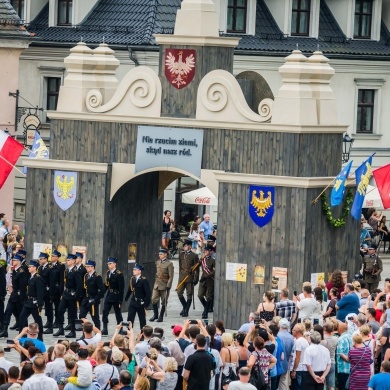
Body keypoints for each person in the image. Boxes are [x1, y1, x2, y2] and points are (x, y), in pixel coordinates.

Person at [53, 254, 83, 338]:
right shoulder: (67, 270)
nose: (67, 261)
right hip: (66, 294)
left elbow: (80, 286)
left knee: (72, 314)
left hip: (72, 295)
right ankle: (61, 328)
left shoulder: (76, 272)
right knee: (59, 310)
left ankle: (73, 331)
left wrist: (76, 296)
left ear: (74, 261)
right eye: (67, 260)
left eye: (69, 260)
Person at [0, 254, 28, 337]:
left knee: (22, 315)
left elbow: (23, 287)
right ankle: (4, 330)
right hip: (13, 295)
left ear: (19, 261)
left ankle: (24, 332)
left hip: (19, 296)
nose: (13, 261)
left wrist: (23, 299)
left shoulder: (21, 272)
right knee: (7, 312)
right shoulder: (15, 270)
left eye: (15, 260)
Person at [19, 260, 44, 340]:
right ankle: (23, 335)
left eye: (30, 267)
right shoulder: (31, 277)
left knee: (37, 320)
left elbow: (40, 292)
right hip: (28, 302)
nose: (28, 268)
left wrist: (40, 304)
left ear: (34, 268)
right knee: (22, 317)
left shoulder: (38, 278)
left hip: (35, 303)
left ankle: (40, 337)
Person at [79, 260, 105, 329]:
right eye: (86, 266)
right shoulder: (86, 276)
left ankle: (98, 332)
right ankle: (85, 333)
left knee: (95, 317)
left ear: (92, 267)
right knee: (81, 315)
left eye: (88, 267)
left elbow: (102, 290)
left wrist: (96, 299)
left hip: (93, 299)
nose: (86, 268)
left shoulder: (97, 277)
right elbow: (85, 288)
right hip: (86, 298)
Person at [150, 248, 174, 323]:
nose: (159, 255)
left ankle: (161, 316)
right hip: (157, 284)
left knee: (164, 301)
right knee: (153, 299)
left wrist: (168, 285)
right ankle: (155, 314)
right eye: (159, 254)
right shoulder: (158, 262)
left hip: (164, 285)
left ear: (165, 254)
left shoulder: (169, 264)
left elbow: (171, 276)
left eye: (161, 254)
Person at [176, 240, 199, 318]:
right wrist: (180, 275)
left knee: (189, 294)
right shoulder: (181, 255)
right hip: (182, 277)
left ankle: (186, 311)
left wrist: (196, 279)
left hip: (190, 277)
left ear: (190, 246)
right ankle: (185, 306)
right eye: (184, 246)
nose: (184, 247)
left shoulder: (194, 256)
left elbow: (197, 269)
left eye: (186, 246)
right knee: (179, 292)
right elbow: (180, 266)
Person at [102, 257, 125, 335]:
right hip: (109, 295)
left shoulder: (119, 274)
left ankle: (120, 328)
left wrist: (120, 300)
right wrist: (102, 293)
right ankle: (105, 328)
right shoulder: (108, 273)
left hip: (116, 296)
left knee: (118, 313)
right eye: (108, 264)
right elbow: (106, 284)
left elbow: (121, 288)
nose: (109, 265)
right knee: (105, 311)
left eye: (110, 263)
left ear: (115, 264)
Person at [124, 263, 151, 330]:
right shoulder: (132, 279)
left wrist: (146, 304)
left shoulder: (144, 280)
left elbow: (148, 293)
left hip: (140, 302)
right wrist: (126, 297)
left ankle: (143, 334)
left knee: (142, 320)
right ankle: (129, 333)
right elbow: (130, 289)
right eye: (133, 270)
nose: (133, 271)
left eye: (135, 270)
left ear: (139, 271)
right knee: (130, 318)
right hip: (133, 301)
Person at [37, 253, 54, 334]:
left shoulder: (50, 268)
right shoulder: (40, 268)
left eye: (41, 259)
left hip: (47, 291)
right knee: (41, 307)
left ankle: (50, 325)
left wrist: (51, 294)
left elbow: (52, 282)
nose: (40, 260)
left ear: (45, 259)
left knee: (49, 308)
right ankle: (46, 322)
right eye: (39, 259)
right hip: (41, 291)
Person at [49, 250, 66, 330]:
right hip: (50, 288)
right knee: (49, 306)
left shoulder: (61, 266)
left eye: (53, 256)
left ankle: (57, 321)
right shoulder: (50, 265)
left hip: (57, 288)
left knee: (57, 306)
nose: (52, 257)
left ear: (57, 257)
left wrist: (61, 290)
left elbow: (61, 279)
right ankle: (50, 321)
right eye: (51, 256)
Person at [198, 245, 215, 319]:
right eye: (205, 250)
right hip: (203, 280)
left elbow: (214, 271)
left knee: (208, 296)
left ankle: (205, 312)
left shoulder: (213, 261)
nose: (205, 251)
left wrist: (207, 276)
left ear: (211, 251)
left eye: (207, 250)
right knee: (200, 295)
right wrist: (202, 257)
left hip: (210, 280)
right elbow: (197, 265)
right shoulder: (202, 259)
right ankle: (207, 308)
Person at [291, 323, 310, 390]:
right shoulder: (304, 341)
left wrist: (294, 370)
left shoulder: (298, 342)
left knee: (297, 387)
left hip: (298, 368)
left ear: (296, 332)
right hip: (303, 368)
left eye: (293, 330)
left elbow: (297, 357)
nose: (292, 331)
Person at [277, 318, 294, 390]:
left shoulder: (277, 335)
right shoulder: (291, 337)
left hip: (276, 363)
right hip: (285, 363)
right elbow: (292, 353)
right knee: (283, 383)